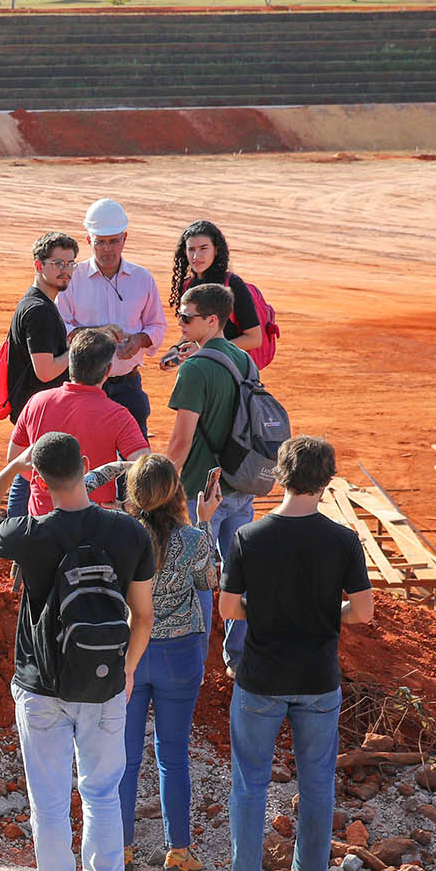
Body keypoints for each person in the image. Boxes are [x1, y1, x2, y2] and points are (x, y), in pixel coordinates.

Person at [0, 432, 154, 871]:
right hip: (105, 683)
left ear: (39, 481)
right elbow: (143, 617)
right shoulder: (130, 533)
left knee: (48, 800)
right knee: (102, 793)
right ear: (86, 465)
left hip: (40, 685)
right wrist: (128, 669)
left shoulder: (31, 533)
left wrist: (13, 469)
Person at [208, 437, 374, 871]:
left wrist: (270, 611)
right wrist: (324, 611)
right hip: (318, 679)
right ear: (327, 481)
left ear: (278, 476)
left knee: (250, 780)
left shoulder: (248, 537)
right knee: (318, 780)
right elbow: (361, 612)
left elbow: (229, 608)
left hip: (261, 677)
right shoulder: (342, 540)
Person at [114, 454, 221, 871]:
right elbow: (208, 582)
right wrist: (205, 521)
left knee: (123, 758)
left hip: (129, 655)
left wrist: (107, 468)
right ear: (175, 491)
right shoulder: (193, 539)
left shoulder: (119, 536)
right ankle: (179, 851)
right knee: (173, 754)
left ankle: (121, 849)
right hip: (180, 654)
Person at [161, 281, 259, 665]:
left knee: (196, 571)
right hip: (242, 482)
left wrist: (162, 487)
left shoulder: (196, 369)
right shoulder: (245, 360)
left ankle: (194, 659)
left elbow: (180, 441)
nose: (181, 323)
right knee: (240, 572)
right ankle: (238, 657)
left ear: (212, 320)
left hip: (201, 490)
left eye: (187, 317)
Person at [4, 328, 149, 516]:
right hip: (95, 525)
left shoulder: (37, 402)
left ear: (70, 364)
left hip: (42, 522)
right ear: (108, 371)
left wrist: (47, 487)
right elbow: (146, 470)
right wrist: (125, 506)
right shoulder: (117, 415)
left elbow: (14, 459)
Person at [54, 198, 166, 435]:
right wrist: (99, 333)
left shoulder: (142, 279)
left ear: (124, 239)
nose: (107, 249)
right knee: (86, 458)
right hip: (84, 389)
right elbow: (59, 327)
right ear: (89, 241)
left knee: (133, 465)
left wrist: (140, 340)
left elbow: (157, 326)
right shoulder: (72, 278)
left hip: (128, 385)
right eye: (100, 242)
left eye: (114, 241)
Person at [0, 232, 77, 427]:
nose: (66, 270)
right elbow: (46, 371)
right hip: (40, 417)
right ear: (38, 265)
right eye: (58, 263)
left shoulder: (35, 302)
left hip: (35, 412)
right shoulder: (39, 311)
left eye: (70, 264)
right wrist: (75, 350)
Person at [165, 220, 265, 362]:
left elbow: (254, 339)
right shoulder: (188, 285)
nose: (196, 256)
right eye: (191, 249)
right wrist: (176, 350)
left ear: (216, 250)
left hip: (230, 371)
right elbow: (192, 330)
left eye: (203, 248)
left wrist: (206, 350)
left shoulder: (233, 285)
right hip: (200, 367)